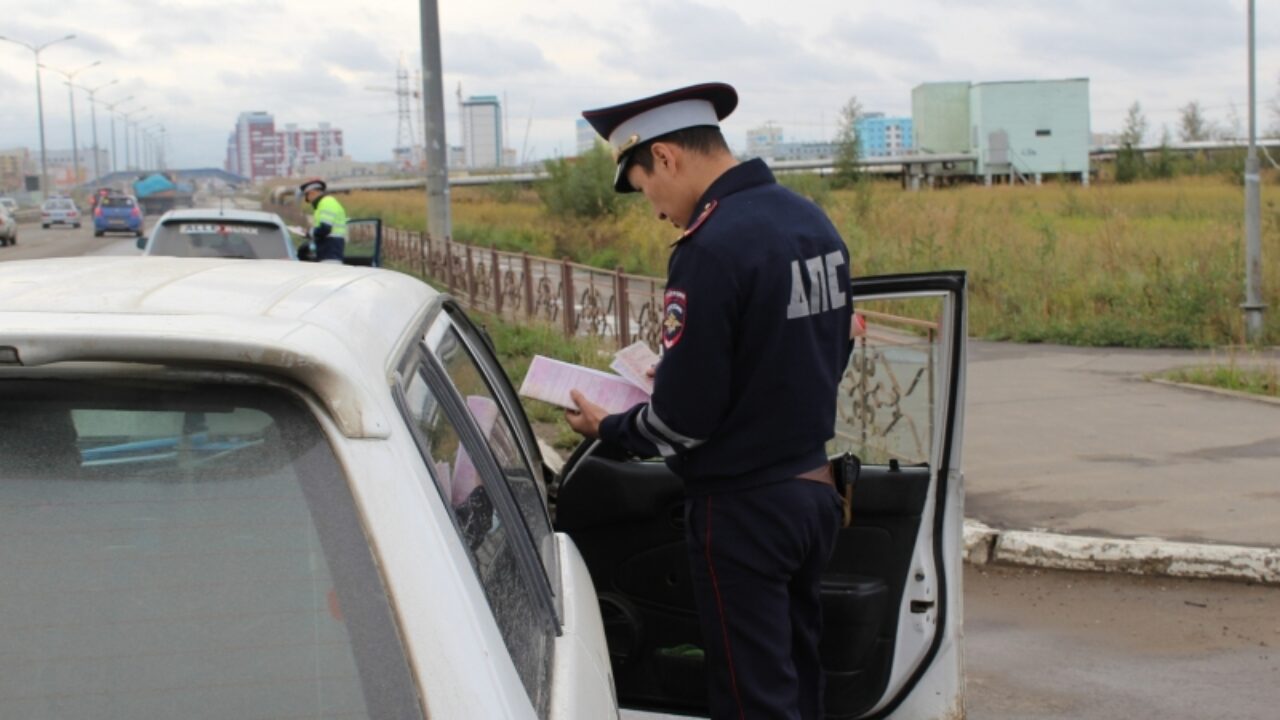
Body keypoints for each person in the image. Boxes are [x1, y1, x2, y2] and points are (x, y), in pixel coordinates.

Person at [565, 82, 854, 720]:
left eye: (645, 190)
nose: (658, 211)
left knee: (752, 695)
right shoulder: (812, 222)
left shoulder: (711, 248)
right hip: (814, 495)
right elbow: (822, 352)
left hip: (746, 509)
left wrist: (608, 426)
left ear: (665, 157)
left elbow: (682, 422)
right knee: (800, 673)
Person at [298, 178, 347, 262]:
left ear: (312, 193)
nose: (307, 200)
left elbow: (324, 229)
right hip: (329, 250)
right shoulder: (324, 204)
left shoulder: (326, 203)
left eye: (307, 196)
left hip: (330, 251)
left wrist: (308, 233)